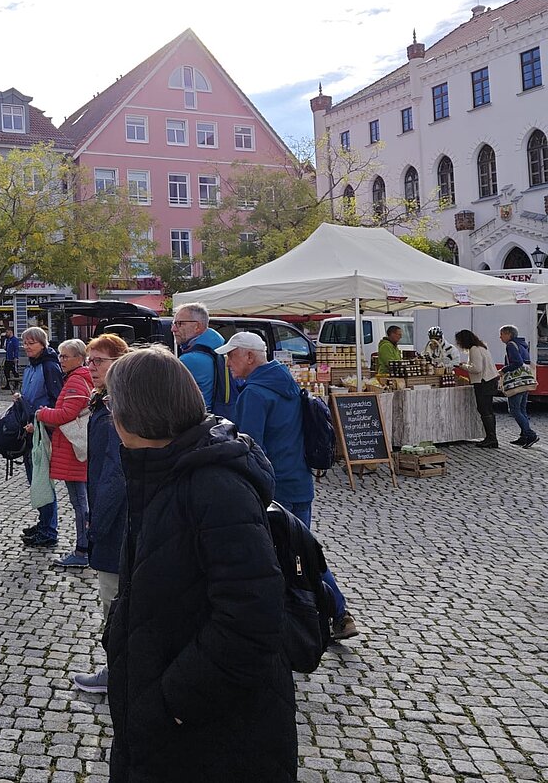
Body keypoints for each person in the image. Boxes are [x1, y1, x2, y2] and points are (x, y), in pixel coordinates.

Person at [103, 346, 296, 782]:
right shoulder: (160, 467)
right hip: (165, 711)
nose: (110, 415)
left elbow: (252, 617)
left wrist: (174, 703)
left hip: (212, 728)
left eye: (113, 404)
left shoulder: (214, 486)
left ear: (137, 412)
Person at [218, 331, 359, 644]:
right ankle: (338, 614)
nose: (227, 362)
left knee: (279, 558)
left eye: (231, 355)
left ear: (249, 357)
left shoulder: (255, 393)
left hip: (273, 489)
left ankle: (298, 622)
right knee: (304, 552)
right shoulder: (288, 384)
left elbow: (249, 449)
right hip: (299, 482)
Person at [71, 332, 129, 695]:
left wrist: (96, 523)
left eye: (98, 361)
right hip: (116, 517)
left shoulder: (113, 412)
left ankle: (117, 673)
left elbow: (114, 475)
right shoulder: (106, 403)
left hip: (117, 522)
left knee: (114, 601)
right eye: (89, 360)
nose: (91, 367)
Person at [34, 339, 93, 568]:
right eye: (60, 355)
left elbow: (67, 414)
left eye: (66, 356)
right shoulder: (79, 377)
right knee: (82, 501)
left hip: (73, 451)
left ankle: (82, 550)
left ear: (80, 358)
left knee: (80, 503)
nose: (61, 360)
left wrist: (43, 414)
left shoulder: (76, 380)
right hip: (75, 450)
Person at [16, 326, 63, 548]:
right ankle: (44, 523)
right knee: (36, 481)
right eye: (25, 343)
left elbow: (56, 400)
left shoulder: (49, 367)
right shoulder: (31, 366)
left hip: (42, 431)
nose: (27, 347)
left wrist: (41, 423)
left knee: (43, 481)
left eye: (31, 343)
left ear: (43, 344)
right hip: (30, 430)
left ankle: (49, 531)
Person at [172, 302, 225, 409]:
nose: (173, 329)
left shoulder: (189, 360)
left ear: (197, 326)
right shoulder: (218, 343)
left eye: (180, 324)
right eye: (173, 323)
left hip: (198, 416)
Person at [455, 329, 500, 449]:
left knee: (484, 409)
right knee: (488, 410)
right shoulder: (482, 347)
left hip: (483, 382)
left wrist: (463, 366)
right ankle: (491, 437)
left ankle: (491, 438)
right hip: (490, 380)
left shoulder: (474, 349)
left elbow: (477, 369)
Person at [498, 324, 538, 448]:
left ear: (509, 334)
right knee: (522, 409)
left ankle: (530, 434)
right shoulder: (522, 344)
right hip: (526, 381)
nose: (500, 337)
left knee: (514, 409)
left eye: (502, 334)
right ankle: (524, 437)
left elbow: (517, 363)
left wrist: (503, 370)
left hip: (517, 382)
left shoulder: (511, 345)